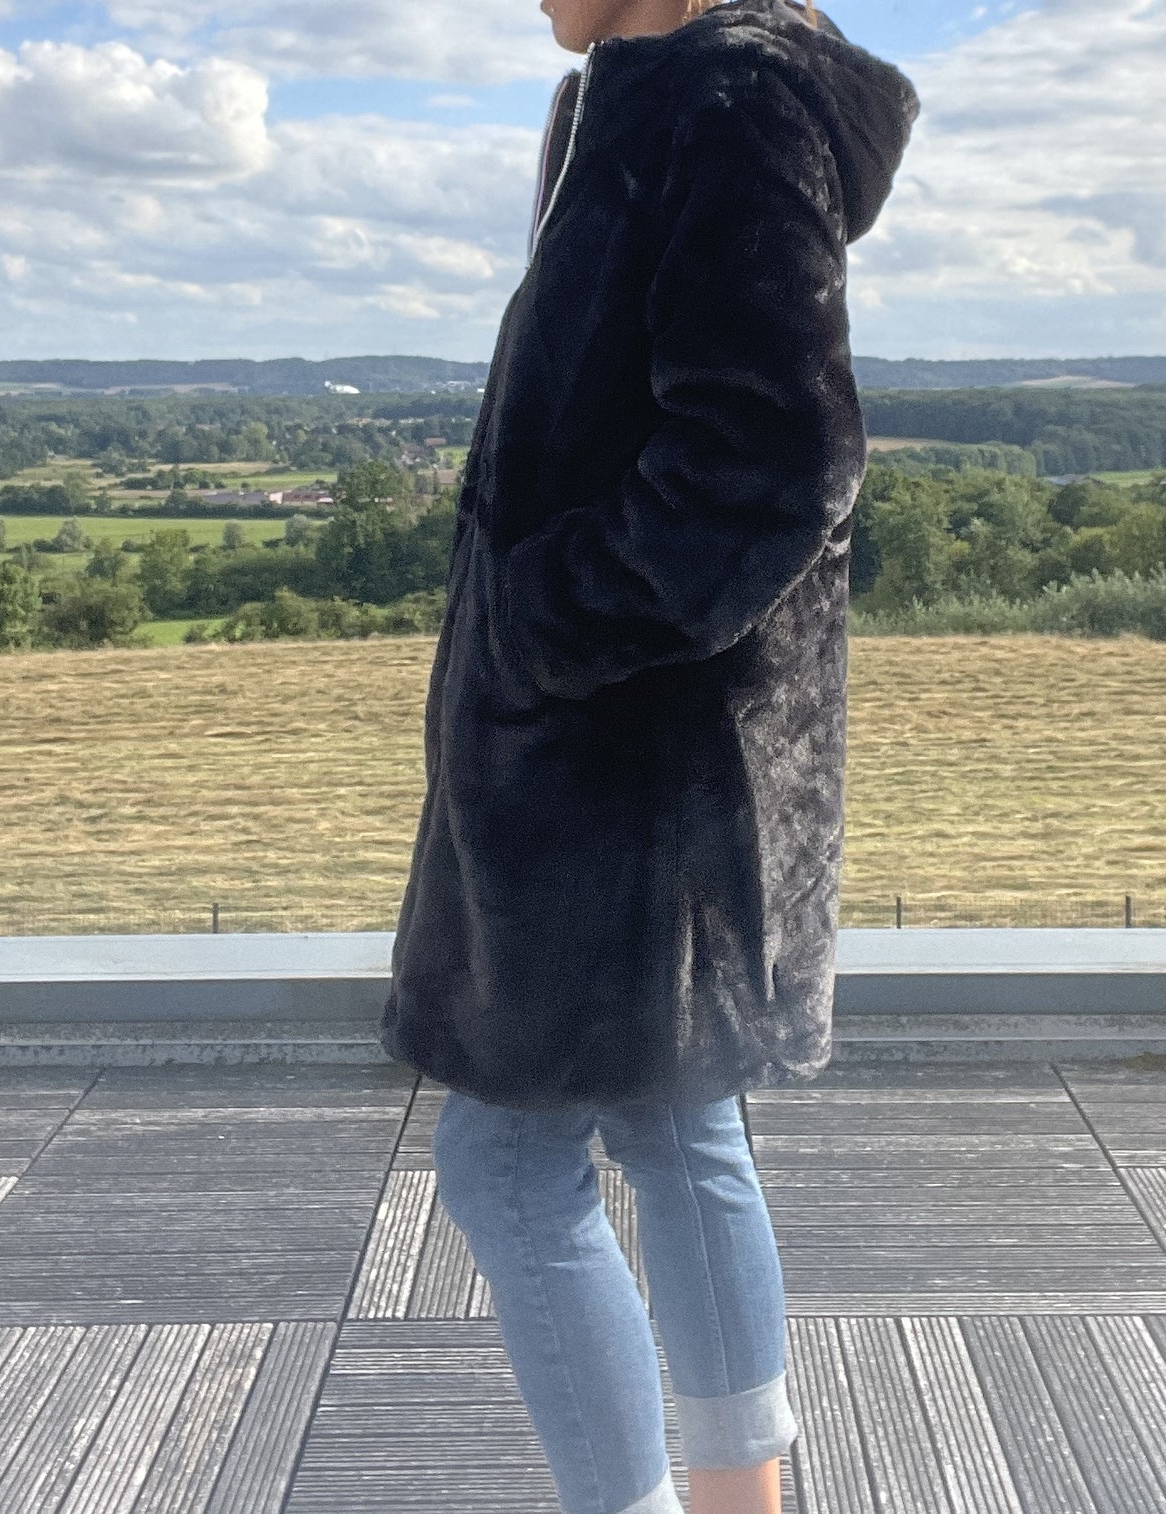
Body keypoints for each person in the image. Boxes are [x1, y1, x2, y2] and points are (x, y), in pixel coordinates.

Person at [379, 1, 916, 1510]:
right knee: (678, 1127)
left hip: (620, 764)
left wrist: (542, 623)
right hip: (644, 755)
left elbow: (774, 457)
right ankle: (744, 1495)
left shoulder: (722, 102)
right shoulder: (643, 96)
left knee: (505, 1169)